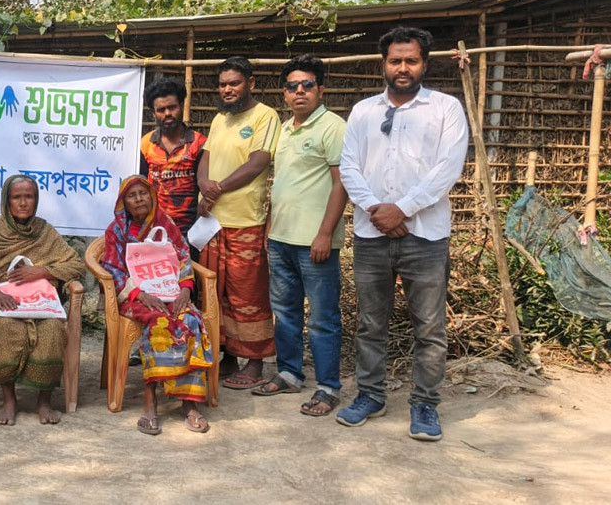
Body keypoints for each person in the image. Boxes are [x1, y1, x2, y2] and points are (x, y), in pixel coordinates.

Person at [336, 27, 468, 442]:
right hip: (373, 234)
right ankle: (370, 396)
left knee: (428, 327)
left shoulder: (446, 109)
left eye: (411, 60)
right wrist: (378, 210)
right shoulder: (363, 112)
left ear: (424, 64)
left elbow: (447, 169)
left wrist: (402, 210)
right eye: (396, 60)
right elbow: (348, 167)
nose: (403, 68)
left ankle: (425, 404)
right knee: (370, 323)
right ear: (384, 65)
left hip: (425, 237)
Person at [252, 55, 347, 417]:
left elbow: (342, 184)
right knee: (285, 312)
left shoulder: (332, 127)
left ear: (321, 89)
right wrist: (269, 229)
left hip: (315, 243)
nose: (300, 92)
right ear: (284, 93)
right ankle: (290, 373)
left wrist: (325, 234)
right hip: (281, 239)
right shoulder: (284, 127)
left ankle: (328, 387)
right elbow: (283, 185)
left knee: (322, 318)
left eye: (307, 85)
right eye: (292, 86)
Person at [0, 175, 85, 426]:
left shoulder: (45, 231)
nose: (23, 203)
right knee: (8, 328)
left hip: (41, 301)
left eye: (28, 197)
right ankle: (9, 399)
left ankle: (44, 401)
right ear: (6, 201)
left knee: (52, 329)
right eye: (16, 197)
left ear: (36, 200)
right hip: (3, 299)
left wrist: (43, 271)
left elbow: (75, 263)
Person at [100, 176, 212, 436]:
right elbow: (113, 269)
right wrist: (139, 293)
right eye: (132, 195)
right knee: (158, 322)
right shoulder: (115, 230)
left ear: (151, 196)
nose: (139, 199)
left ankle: (189, 403)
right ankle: (150, 400)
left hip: (171, 292)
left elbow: (183, 256)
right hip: (136, 297)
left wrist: (185, 288)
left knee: (190, 320)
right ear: (123, 203)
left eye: (143, 193)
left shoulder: (165, 223)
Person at [197, 56, 280, 390]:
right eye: (223, 84)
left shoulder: (266, 116)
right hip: (213, 223)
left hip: (246, 220)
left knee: (249, 294)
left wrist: (217, 188)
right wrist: (204, 184)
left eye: (234, 83)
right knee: (215, 293)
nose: (227, 89)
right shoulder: (219, 119)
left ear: (251, 83)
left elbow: (258, 162)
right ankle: (225, 355)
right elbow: (206, 157)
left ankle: (255, 362)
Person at [139, 78, 208, 235]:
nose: (168, 114)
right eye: (161, 110)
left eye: (172, 107)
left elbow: (205, 187)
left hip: (190, 229)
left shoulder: (199, 143)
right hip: (155, 227)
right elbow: (142, 183)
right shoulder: (146, 143)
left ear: (182, 106)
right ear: (153, 113)